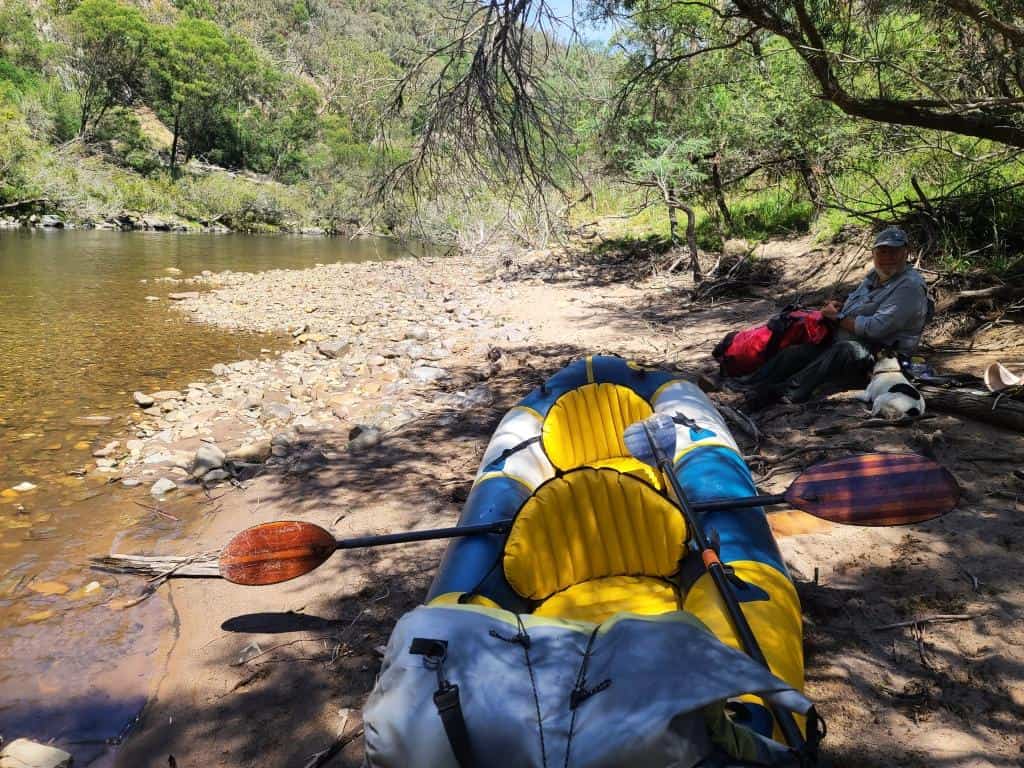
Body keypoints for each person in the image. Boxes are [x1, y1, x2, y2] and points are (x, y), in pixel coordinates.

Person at [737, 226, 931, 409]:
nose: (888, 257)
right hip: (849, 338)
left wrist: (837, 317)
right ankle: (748, 382)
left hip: (885, 358)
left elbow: (875, 329)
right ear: (873, 254)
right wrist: (838, 306)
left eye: (894, 252)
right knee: (797, 352)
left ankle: (786, 392)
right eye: (882, 252)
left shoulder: (909, 287)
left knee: (845, 350)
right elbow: (856, 302)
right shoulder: (875, 275)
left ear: (906, 253)